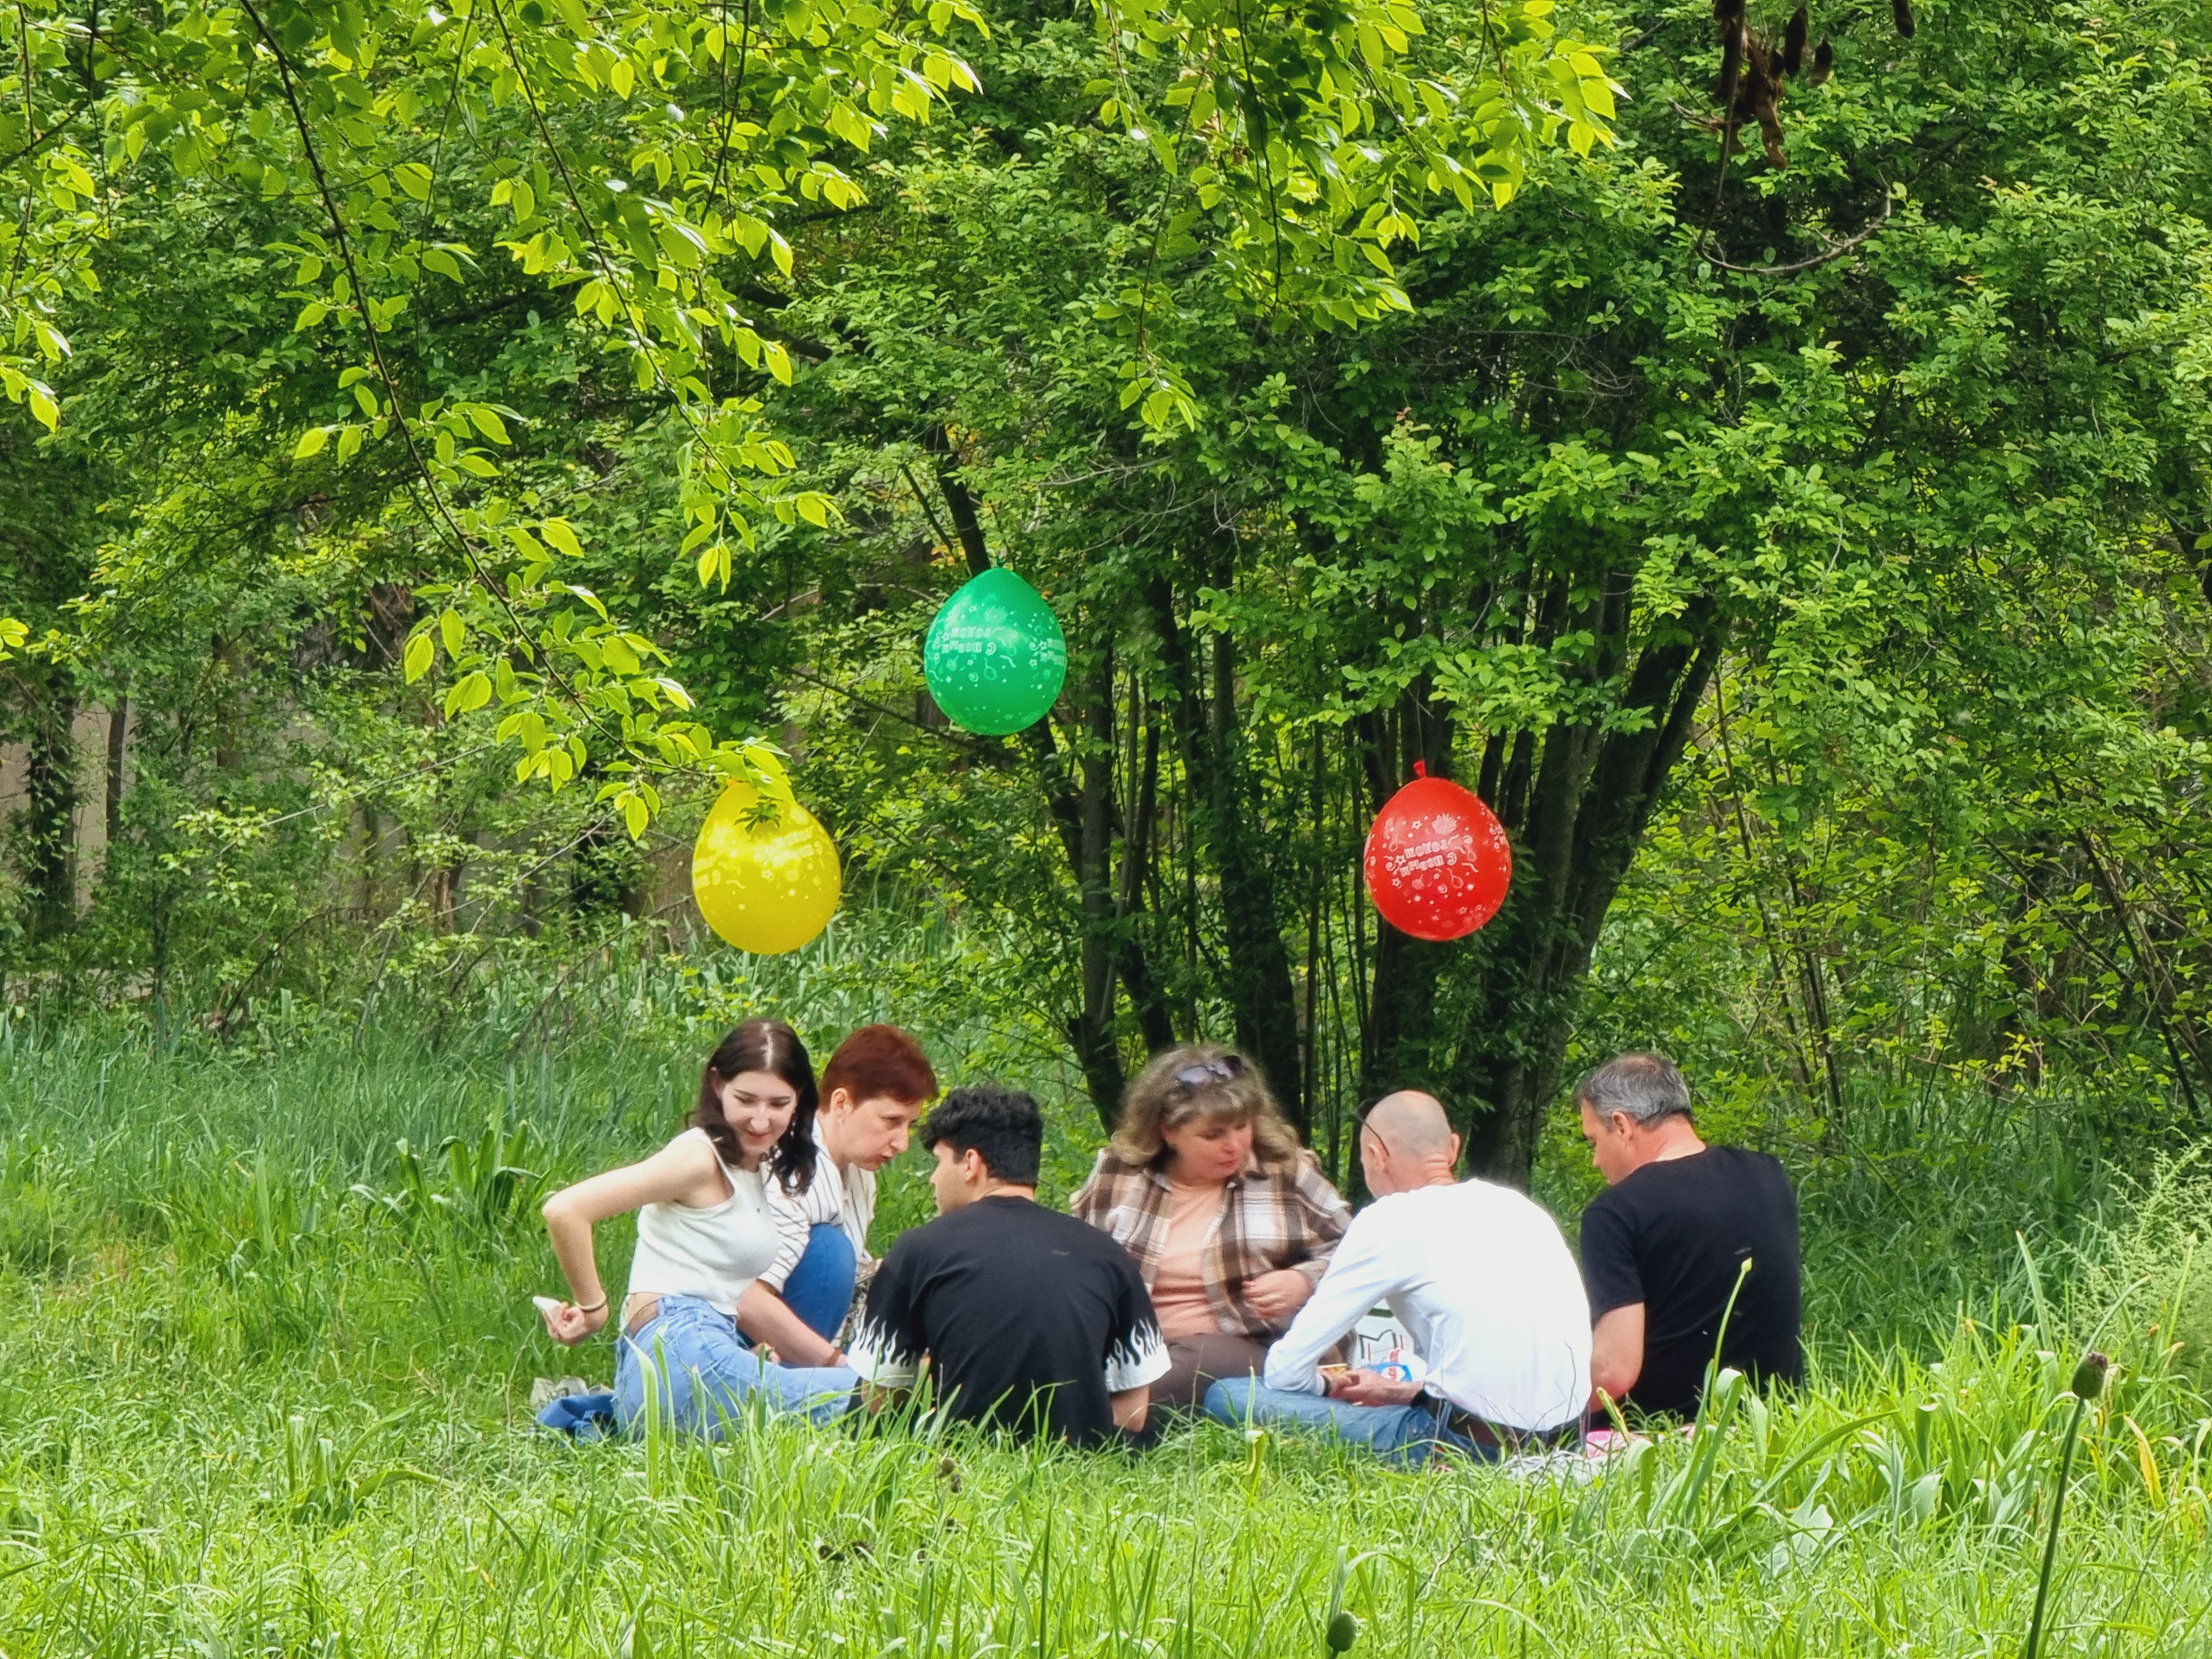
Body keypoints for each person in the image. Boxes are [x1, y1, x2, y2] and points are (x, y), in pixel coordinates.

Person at [1204, 1091, 1591, 1463]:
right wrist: (1402, 1392)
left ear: (1376, 1156)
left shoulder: (1389, 1219)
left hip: (1462, 1447)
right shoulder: (1521, 1209)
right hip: (1566, 1442)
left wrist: (1326, 1386)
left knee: (1228, 1397)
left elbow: (1285, 1372)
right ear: (1453, 1148)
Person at [537, 1019, 856, 1437]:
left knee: (856, 1398)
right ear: (718, 1085)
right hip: (679, 1346)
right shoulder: (699, 1158)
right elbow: (566, 1210)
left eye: (778, 1104)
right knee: (872, 1398)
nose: (761, 1120)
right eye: (747, 1100)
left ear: (799, 1103)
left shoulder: (753, 1165)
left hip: (686, 1356)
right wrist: (594, 1310)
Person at [848, 1083, 1168, 1444]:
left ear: (971, 1163)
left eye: (938, 1163)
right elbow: (1135, 1412)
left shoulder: (917, 1251)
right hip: (1083, 1464)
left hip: (956, 1465)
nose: (934, 1179)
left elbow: (878, 1399)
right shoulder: (1108, 1255)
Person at [1072, 1045, 1350, 1409]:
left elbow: (1360, 1251)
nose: (1234, 1145)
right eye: (1213, 1135)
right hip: (1137, 1349)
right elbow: (1076, 1263)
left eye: (1242, 1126)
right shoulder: (1120, 1173)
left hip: (1262, 1347)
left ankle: (1098, 1422)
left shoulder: (1285, 1172)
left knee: (1198, 1360)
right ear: (1168, 1131)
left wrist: (1304, 1280)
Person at [1576, 1052, 1803, 1419]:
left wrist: (1544, 1420)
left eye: (1593, 1141)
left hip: (1664, 1435)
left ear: (1622, 1125)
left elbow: (1613, 1373)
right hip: (1772, 1424)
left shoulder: (1615, 1213)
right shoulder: (1768, 1176)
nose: (1596, 1161)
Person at [739, 1024, 938, 1366]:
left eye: (910, 1125)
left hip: (779, 1335)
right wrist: (837, 1366)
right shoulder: (793, 1167)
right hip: (714, 1330)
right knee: (830, 1253)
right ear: (841, 1103)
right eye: (891, 1121)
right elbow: (747, 1297)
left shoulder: (860, 1173)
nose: (902, 1144)